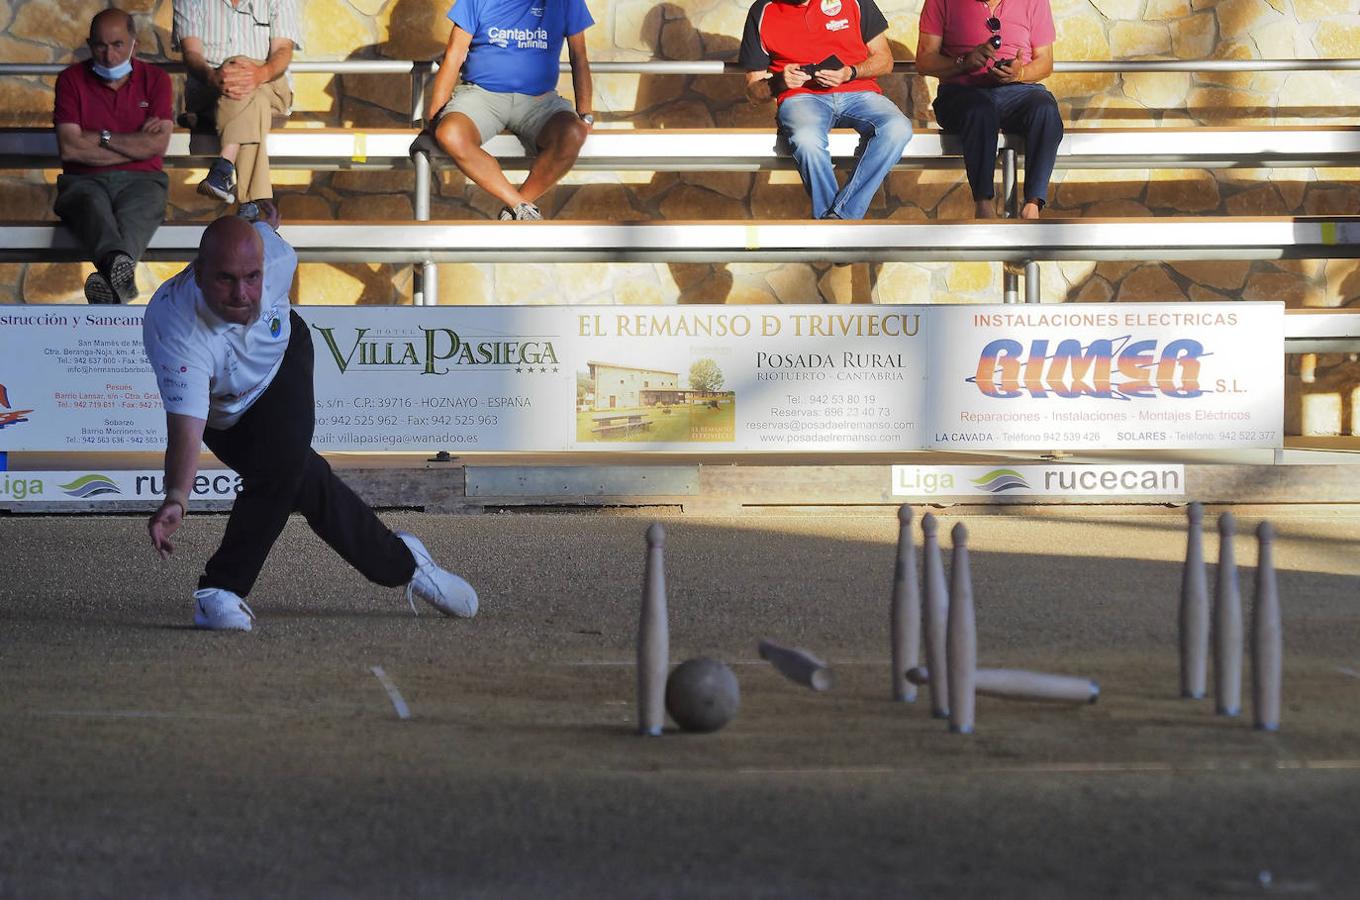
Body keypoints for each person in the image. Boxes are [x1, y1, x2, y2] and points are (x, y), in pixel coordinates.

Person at [142, 204, 478, 631]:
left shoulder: (278, 258)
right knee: (298, 474)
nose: (242, 294)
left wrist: (263, 215)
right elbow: (186, 428)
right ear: (198, 271)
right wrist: (177, 497)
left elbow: (267, 221)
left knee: (282, 464)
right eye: (225, 279)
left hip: (282, 364)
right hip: (224, 412)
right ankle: (403, 562)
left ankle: (219, 591)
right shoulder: (176, 332)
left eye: (252, 277)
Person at [739, 0, 912, 220]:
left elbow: (885, 60)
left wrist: (850, 72)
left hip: (859, 93)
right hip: (801, 98)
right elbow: (753, 91)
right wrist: (779, 82)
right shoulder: (762, 10)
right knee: (806, 139)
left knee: (898, 128)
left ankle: (840, 218)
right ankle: (838, 223)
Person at [424, 0, 595, 220]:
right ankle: (519, 205)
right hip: (481, 96)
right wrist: (434, 116)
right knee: (449, 134)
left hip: (540, 101)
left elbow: (579, 57)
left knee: (574, 133)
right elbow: (454, 55)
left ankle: (516, 211)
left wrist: (586, 114)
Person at [53, 9, 172, 305]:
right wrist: (134, 144)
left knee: (142, 209)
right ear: (89, 44)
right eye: (100, 46)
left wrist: (100, 138)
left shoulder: (157, 80)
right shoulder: (70, 80)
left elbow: (156, 146)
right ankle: (118, 274)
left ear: (134, 43)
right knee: (90, 205)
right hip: (83, 181)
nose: (109, 55)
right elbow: (70, 148)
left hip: (144, 183)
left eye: (118, 44)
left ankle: (113, 278)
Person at [916, 0, 1063, 219]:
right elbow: (924, 61)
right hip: (960, 91)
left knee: (1046, 109)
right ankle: (983, 206)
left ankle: (1033, 206)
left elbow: (1045, 62)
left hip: (1017, 91)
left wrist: (1019, 74)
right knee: (980, 111)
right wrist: (963, 63)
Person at [172, 0, 302, 214]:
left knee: (239, 67)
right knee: (252, 97)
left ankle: (224, 166)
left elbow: (283, 50)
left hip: (269, 83)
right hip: (211, 86)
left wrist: (259, 75)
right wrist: (213, 77)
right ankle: (249, 203)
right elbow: (191, 54)